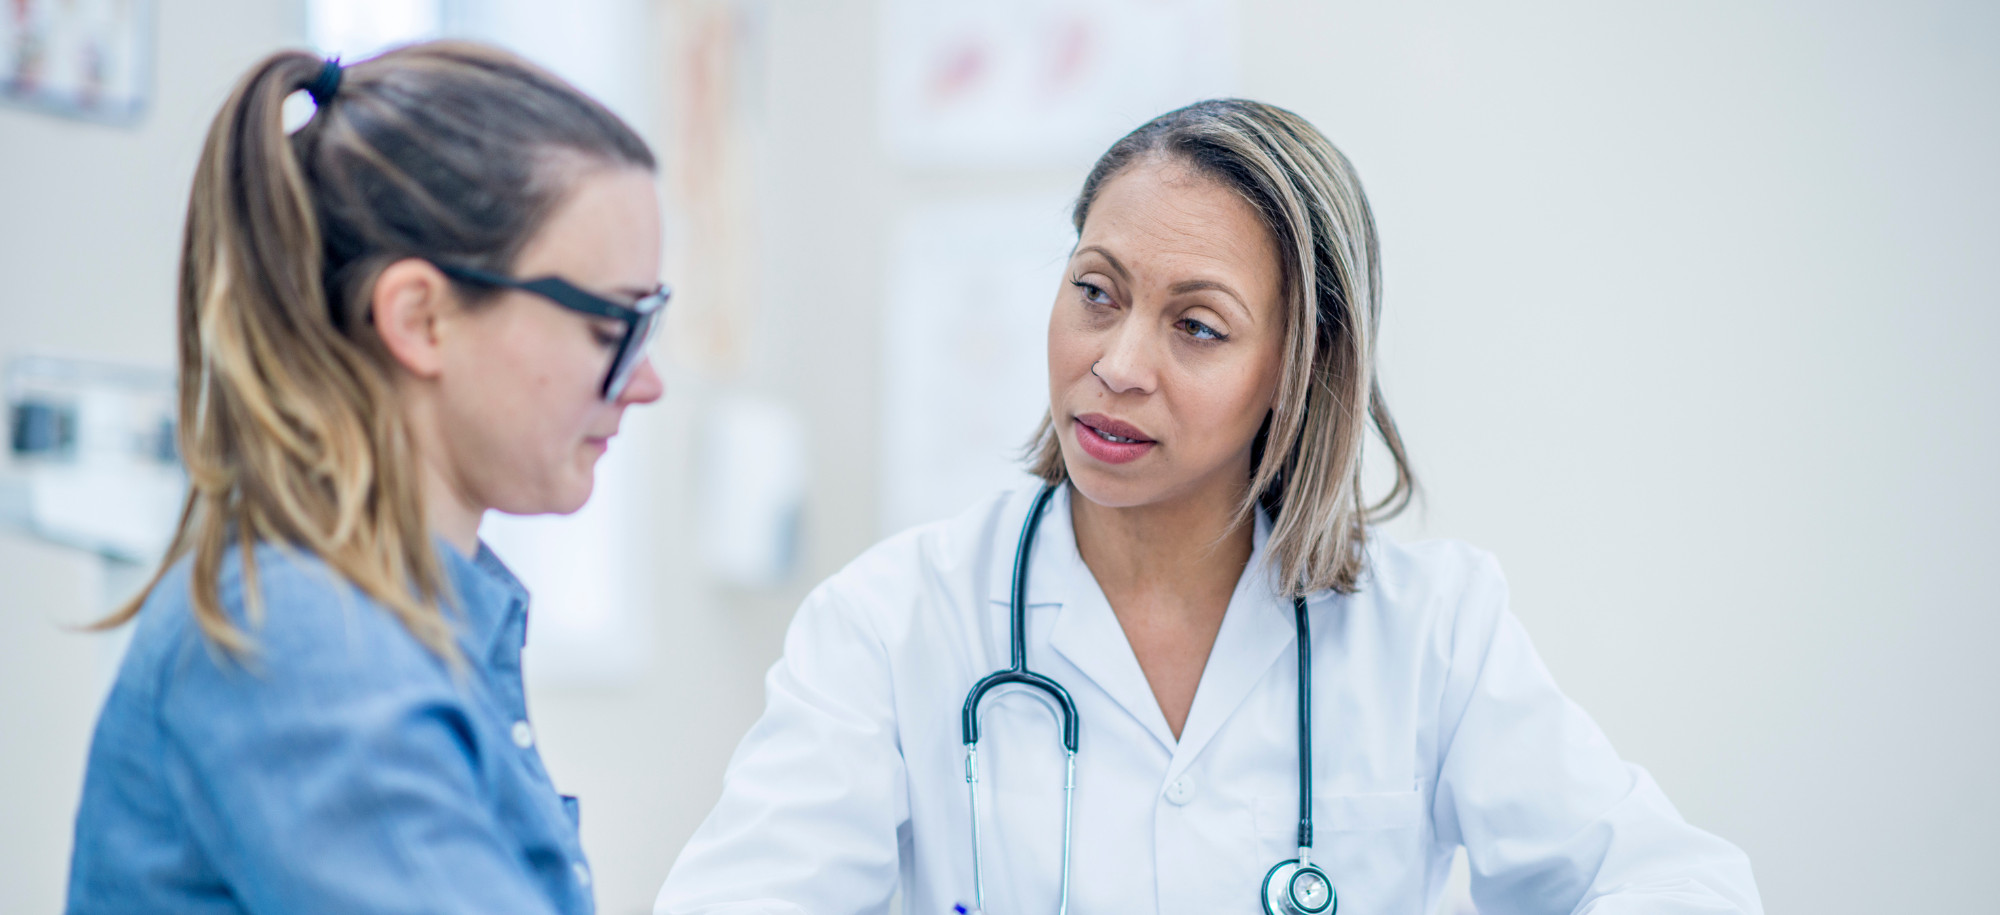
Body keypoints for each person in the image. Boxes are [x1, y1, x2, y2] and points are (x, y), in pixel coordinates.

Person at [655, 100, 1761, 915]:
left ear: (1297, 366)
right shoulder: (894, 622)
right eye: (1094, 292)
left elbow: (1675, 883)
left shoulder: (1428, 632)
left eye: (1195, 326)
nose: (1116, 364)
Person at [65, 43, 666, 915]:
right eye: (614, 326)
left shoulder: (399, 616)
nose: (647, 381)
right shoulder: (302, 643)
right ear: (420, 317)